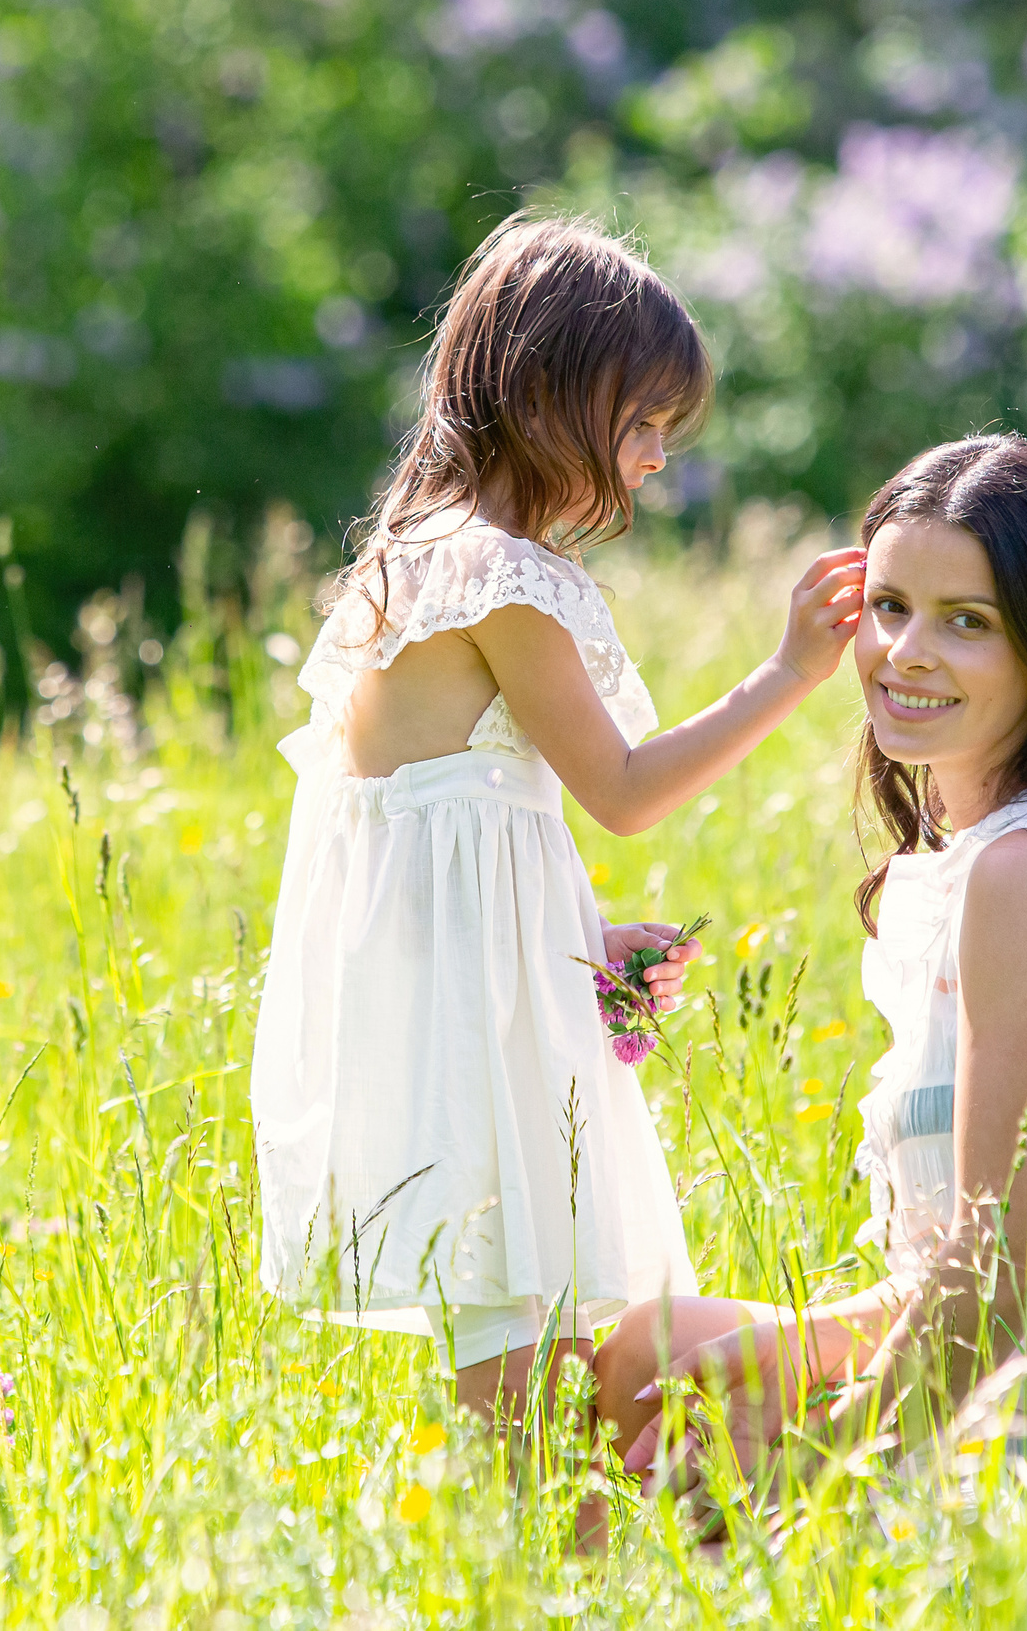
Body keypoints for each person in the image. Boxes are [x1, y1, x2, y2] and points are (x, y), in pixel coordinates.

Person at [592, 433, 1027, 1529]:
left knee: (690, 1472)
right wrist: (777, 1355)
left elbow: (1007, 1279)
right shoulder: (984, 856)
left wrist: (816, 1464)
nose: (904, 653)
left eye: (965, 622)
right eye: (888, 608)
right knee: (644, 1355)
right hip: (1022, 1350)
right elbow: (973, 1268)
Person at [250, 212, 868, 1441]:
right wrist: (790, 672)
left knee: (535, 1346)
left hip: (461, 1008)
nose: (650, 460)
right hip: (476, 1036)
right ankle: (548, 1577)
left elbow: (446, 824)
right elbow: (624, 792)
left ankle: (561, 1565)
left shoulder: (420, 555)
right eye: (637, 423)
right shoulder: (502, 578)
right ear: (546, 397)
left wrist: (580, 936)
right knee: (529, 1359)